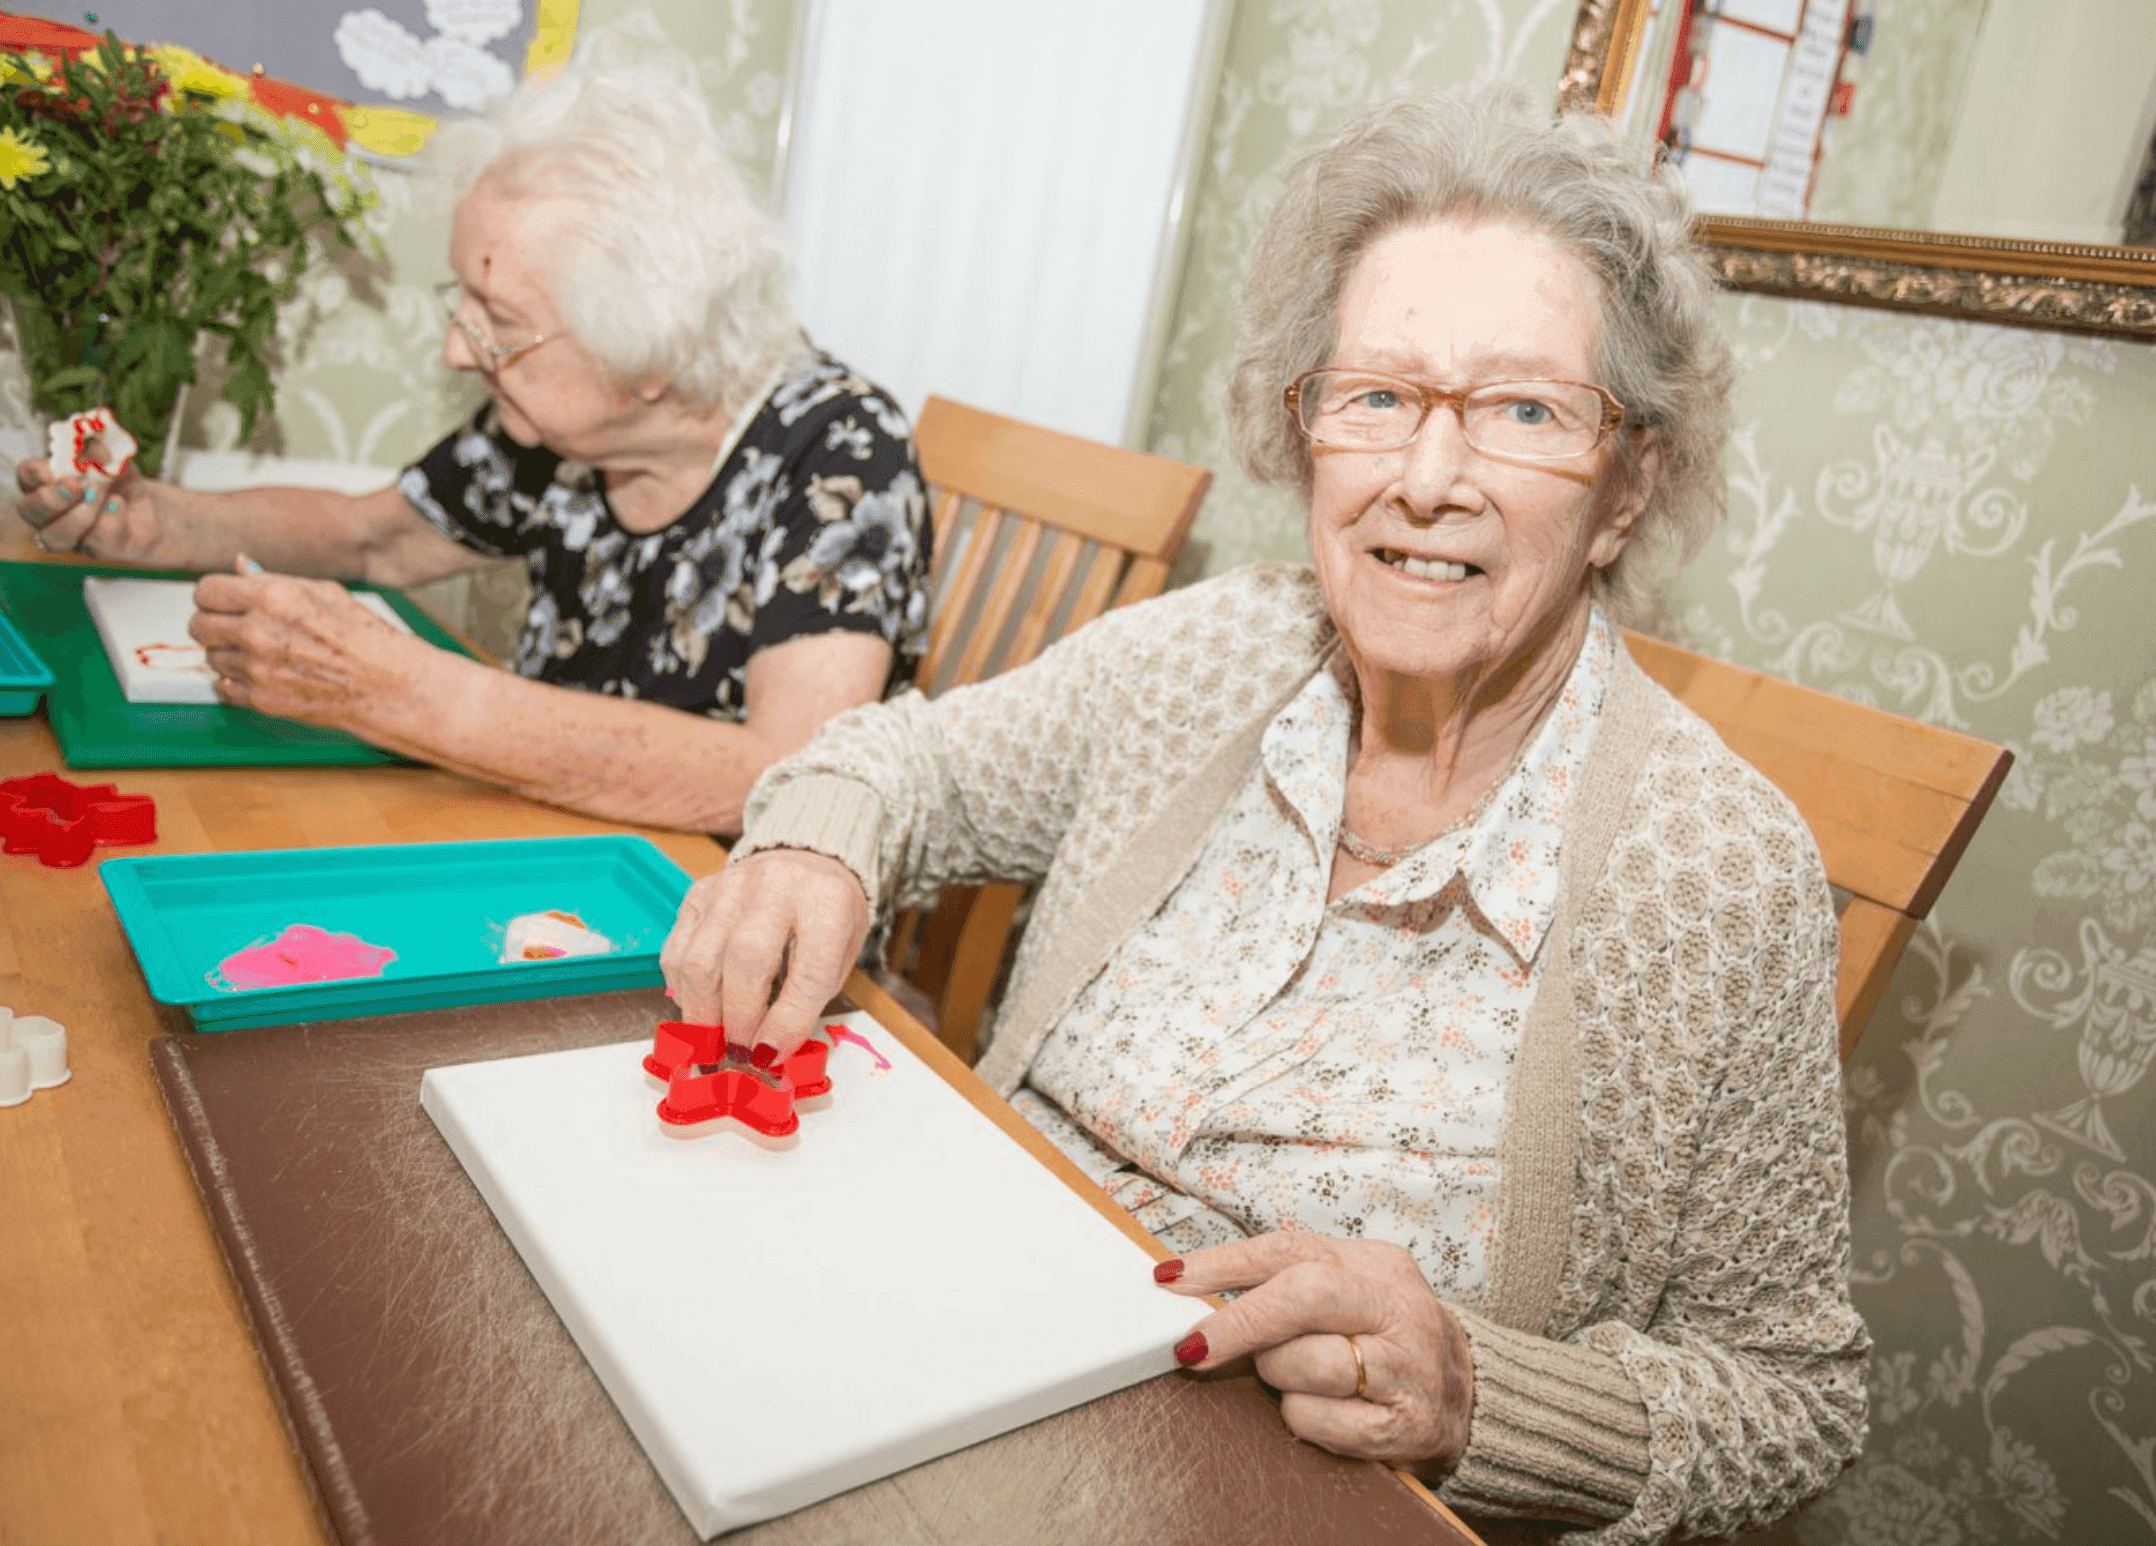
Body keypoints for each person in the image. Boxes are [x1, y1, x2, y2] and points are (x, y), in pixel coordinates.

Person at [660, 87, 1867, 1542]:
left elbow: (1794, 1392)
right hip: (946, 1349)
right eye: (1378, 398)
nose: (1429, 479)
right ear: (1307, 434)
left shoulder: (1722, 871)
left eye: (1525, 411)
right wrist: (813, 841)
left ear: (1625, 489)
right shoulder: (1210, 651)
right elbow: (906, 765)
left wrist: (1482, 1394)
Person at [9, 53, 930, 835]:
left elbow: (782, 779)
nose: (459, 347)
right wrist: (159, 522)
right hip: (540, 831)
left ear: (651, 348)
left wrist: (402, 692)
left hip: (711, 915)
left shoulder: (844, 449)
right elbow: (376, 536)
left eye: (500, 320)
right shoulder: (557, 428)